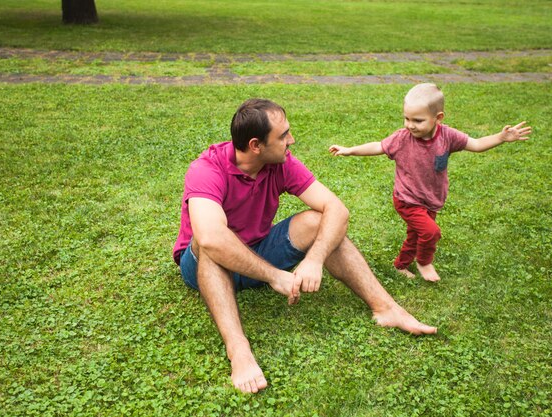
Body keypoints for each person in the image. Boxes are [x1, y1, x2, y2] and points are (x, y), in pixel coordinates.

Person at [173, 98, 437, 394]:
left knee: (317, 221)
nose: (291, 140)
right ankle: (239, 349)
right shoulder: (207, 169)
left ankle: (386, 308)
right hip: (203, 267)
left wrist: (314, 259)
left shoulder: (281, 163)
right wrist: (275, 276)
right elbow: (210, 238)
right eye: (283, 135)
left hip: (257, 251)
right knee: (209, 240)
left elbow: (336, 209)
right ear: (256, 145)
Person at [329, 83, 531, 282]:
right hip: (407, 199)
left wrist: (501, 137)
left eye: (417, 120)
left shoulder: (448, 136)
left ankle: (400, 265)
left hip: (431, 199)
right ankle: (424, 261)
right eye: (406, 118)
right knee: (430, 232)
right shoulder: (402, 138)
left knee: (416, 235)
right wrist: (350, 150)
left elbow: (476, 144)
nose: (410, 125)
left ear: (438, 118)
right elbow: (378, 146)